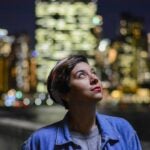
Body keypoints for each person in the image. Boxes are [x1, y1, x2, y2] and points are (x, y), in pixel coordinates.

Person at [22, 54, 142, 150]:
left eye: (93, 72)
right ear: (64, 93)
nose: (94, 79)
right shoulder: (40, 142)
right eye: (81, 75)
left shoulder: (123, 130)